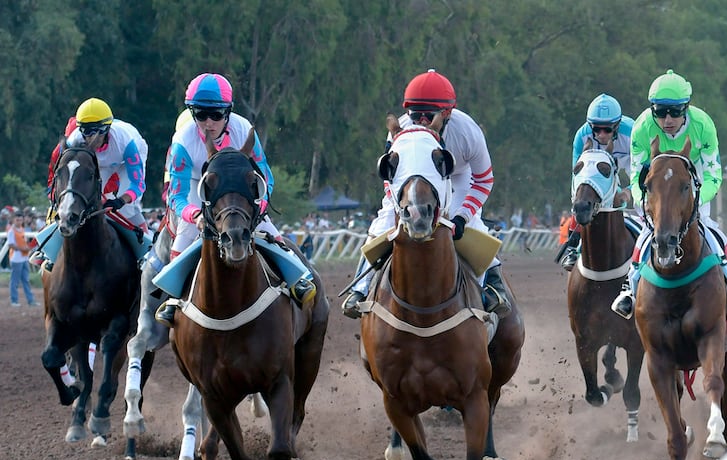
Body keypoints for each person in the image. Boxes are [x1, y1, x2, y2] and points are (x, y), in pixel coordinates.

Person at [342, 69, 510, 319]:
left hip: (457, 178)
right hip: (413, 185)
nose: (420, 121)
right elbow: (391, 177)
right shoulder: (400, 129)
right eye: (414, 115)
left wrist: (462, 217)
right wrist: (399, 207)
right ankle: (359, 288)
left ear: (447, 113)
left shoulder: (468, 132)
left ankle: (490, 289)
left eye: (427, 116)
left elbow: (484, 180)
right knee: (383, 222)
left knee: (473, 226)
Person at [153, 73, 316, 327]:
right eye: (200, 114)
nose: (208, 123)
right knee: (183, 241)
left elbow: (266, 179)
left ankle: (297, 280)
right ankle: (173, 300)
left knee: (273, 237)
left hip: (240, 199)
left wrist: (258, 208)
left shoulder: (243, 130)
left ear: (228, 112)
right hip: (200, 191)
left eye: (216, 115)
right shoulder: (183, 140)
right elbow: (177, 194)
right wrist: (194, 216)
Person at [610, 70, 727, 319]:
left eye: (675, 111)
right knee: (650, 231)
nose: (667, 119)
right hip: (657, 191)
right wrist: (645, 202)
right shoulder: (641, 128)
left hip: (692, 185)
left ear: (687, 108)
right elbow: (638, 177)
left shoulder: (703, 125)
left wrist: (694, 202)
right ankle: (629, 288)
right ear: (652, 110)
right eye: (660, 111)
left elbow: (714, 176)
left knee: (708, 226)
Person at [32, 98, 153, 270]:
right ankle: (48, 250)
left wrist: (120, 200)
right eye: (85, 131)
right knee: (79, 199)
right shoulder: (74, 140)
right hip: (93, 160)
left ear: (106, 129)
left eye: (95, 131)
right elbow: (58, 173)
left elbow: (138, 185)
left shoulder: (127, 143)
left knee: (126, 207)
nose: (90, 137)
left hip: (123, 162)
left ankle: (145, 253)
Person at [561, 93, 636, 271]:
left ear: (617, 126)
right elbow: (577, 175)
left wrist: (629, 191)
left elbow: (644, 170)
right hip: (598, 172)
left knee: (646, 204)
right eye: (596, 129)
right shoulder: (582, 135)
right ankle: (573, 246)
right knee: (583, 200)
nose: (601, 135)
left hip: (631, 163)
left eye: (607, 130)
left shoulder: (633, 132)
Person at [7, 212, 37, 307]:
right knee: (15, 281)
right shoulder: (12, 231)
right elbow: (11, 245)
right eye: (17, 219)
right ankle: (14, 300)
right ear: (13, 220)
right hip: (16, 259)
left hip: (23, 257)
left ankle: (30, 300)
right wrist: (24, 248)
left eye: (20, 219)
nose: (19, 221)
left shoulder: (21, 229)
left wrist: (26, 247)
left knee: (25, 280)